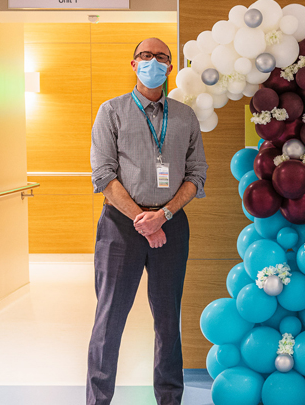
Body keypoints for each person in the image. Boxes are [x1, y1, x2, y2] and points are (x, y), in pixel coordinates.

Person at [87, 37, 208, 405]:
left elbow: (197, 173)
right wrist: (143, 220)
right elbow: (103, 175)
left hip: (171, 222)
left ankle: (170, 398)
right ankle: (97, 399)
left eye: (160, 57)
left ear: (170, 67)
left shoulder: (184, 116)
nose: (152, 61)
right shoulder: (112, 111)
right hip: (120, 226)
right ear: (133, 64)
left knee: (169, 320)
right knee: (109, 319)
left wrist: (164, 216)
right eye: (145, 56)